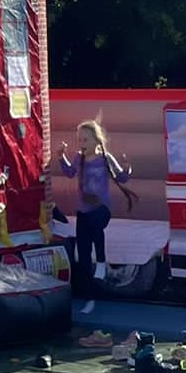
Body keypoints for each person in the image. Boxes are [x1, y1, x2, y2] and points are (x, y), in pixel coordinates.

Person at [58, 119, 132, 315]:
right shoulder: (79, 159)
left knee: (96, 223)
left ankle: (101, 261)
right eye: (79, 139)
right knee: (82, 254)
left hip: (102, 208)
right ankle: (89, 297)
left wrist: (127, 167)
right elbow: (69, 173)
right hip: (84, 209)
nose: (82, 143)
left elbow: (122, 178)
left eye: (85, 139)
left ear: (96, 140)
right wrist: (61, 157)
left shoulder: (105, 159)